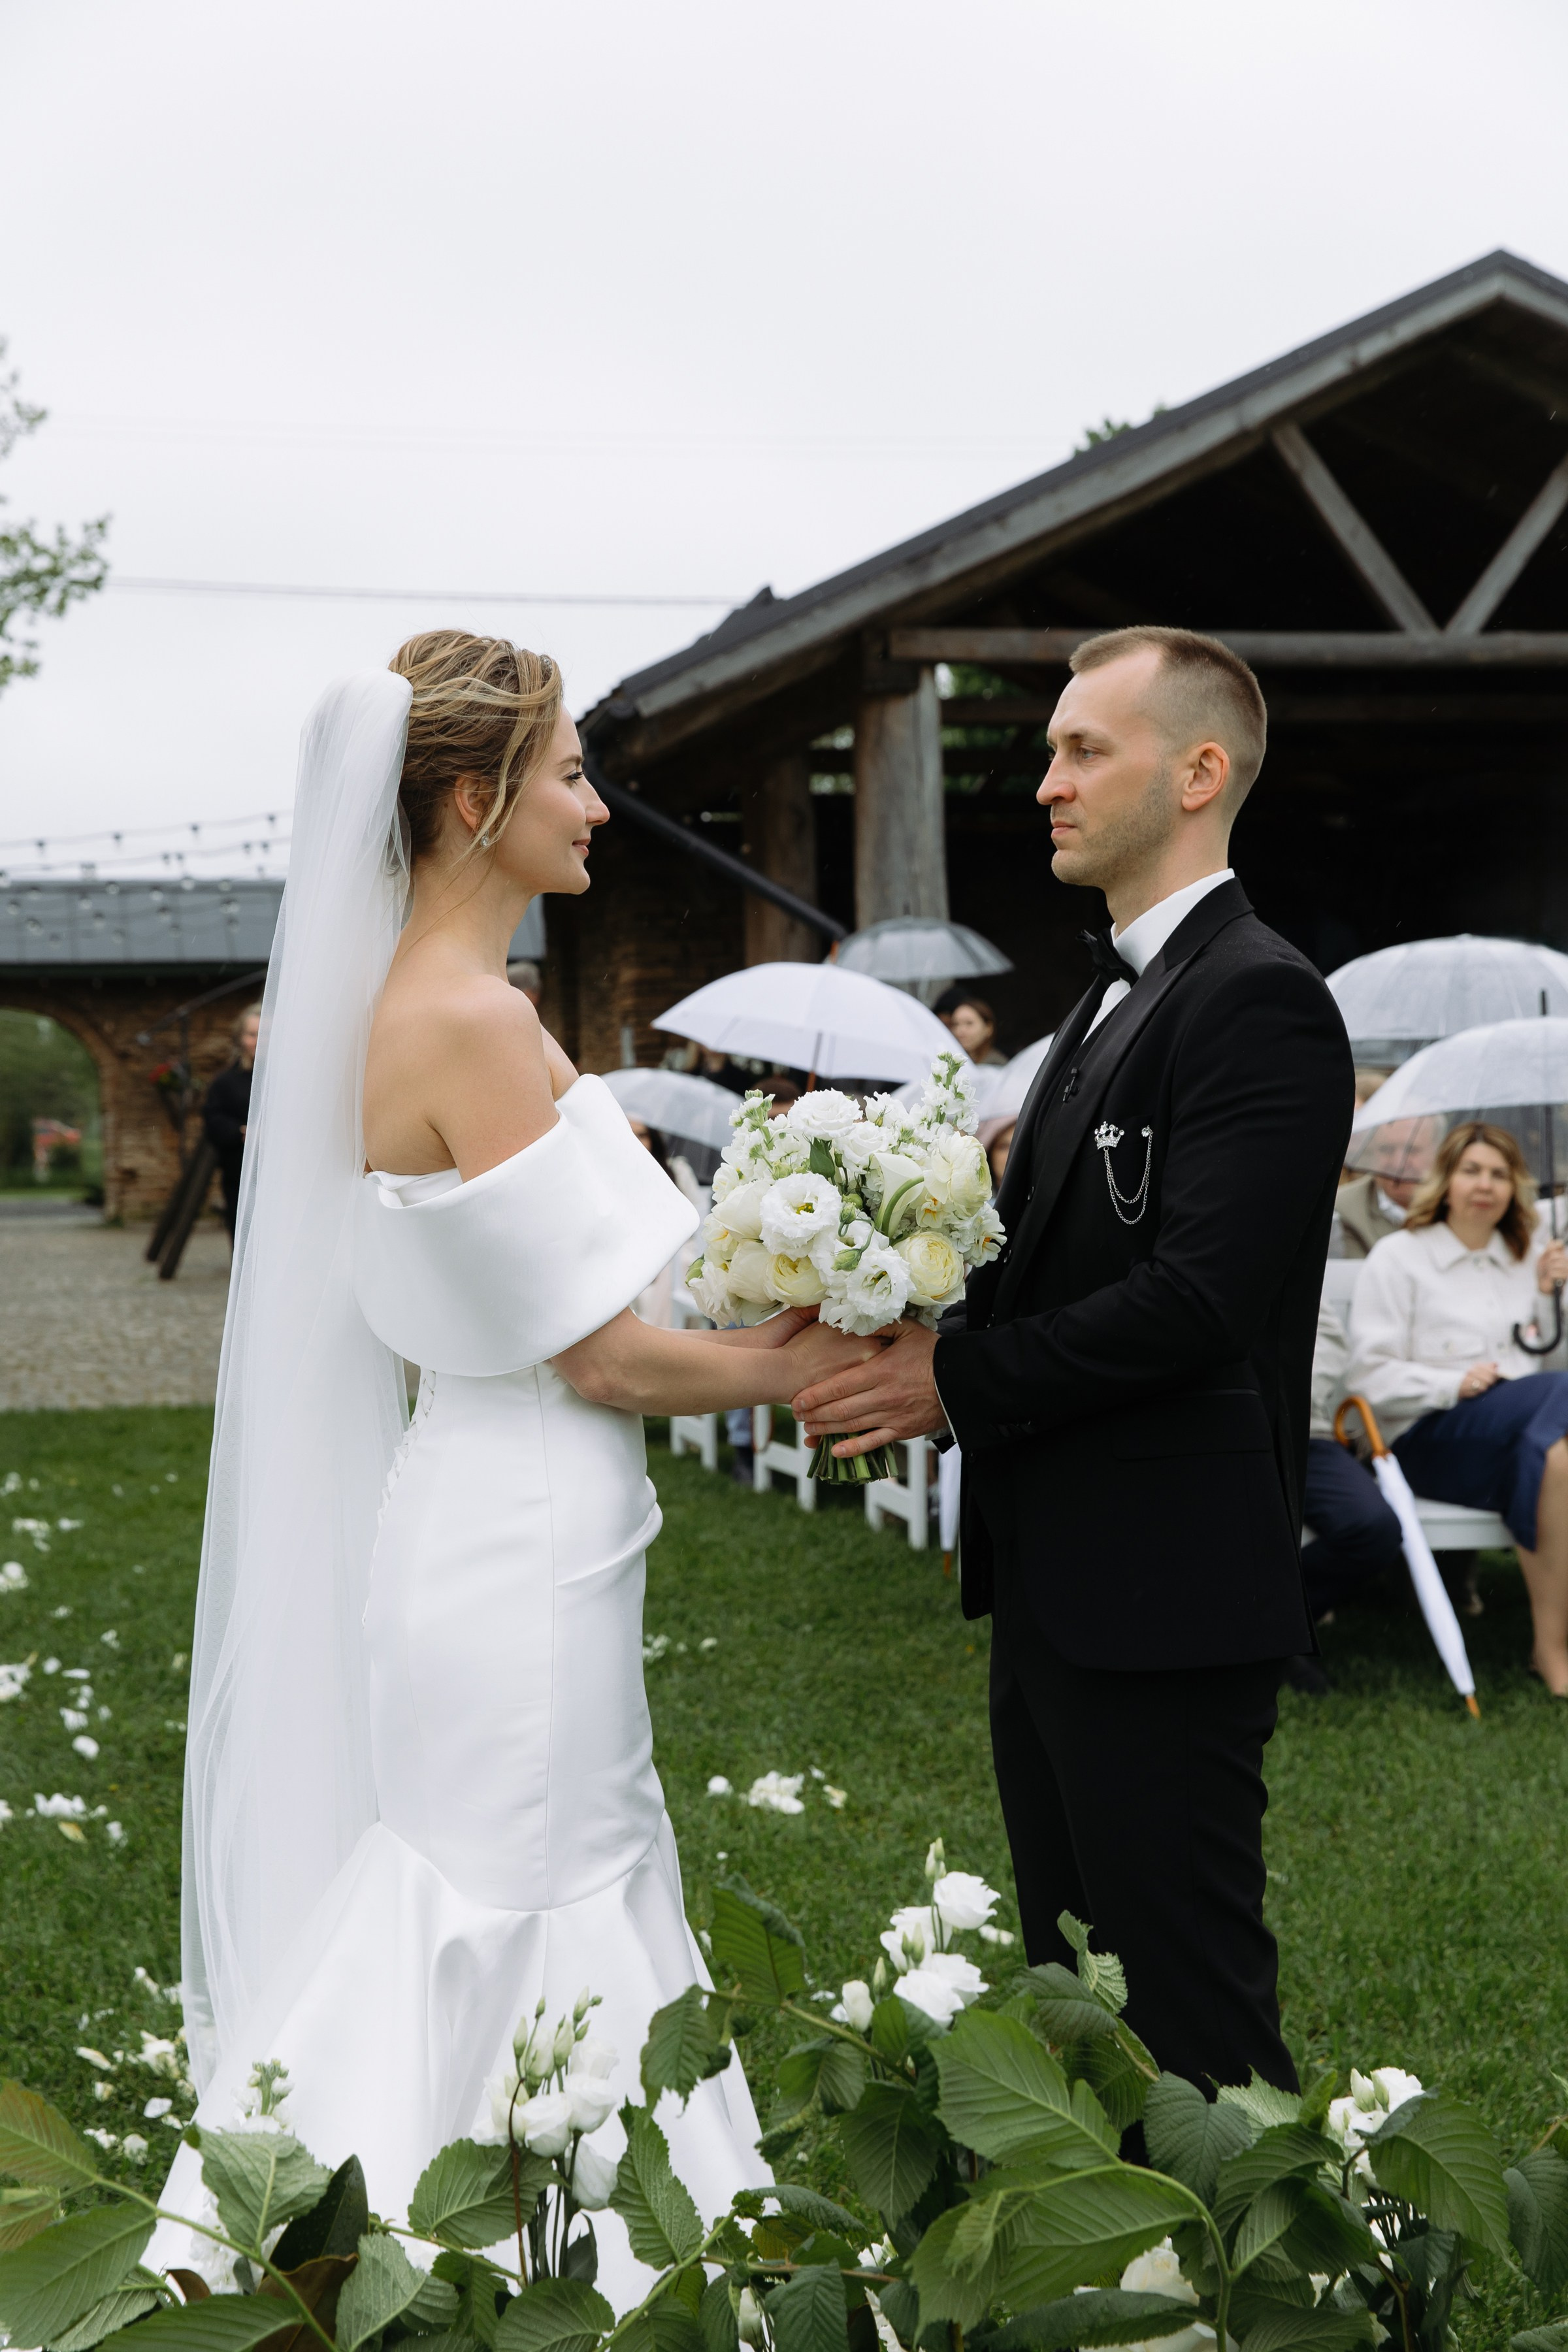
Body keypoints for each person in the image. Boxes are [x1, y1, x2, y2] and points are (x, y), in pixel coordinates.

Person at [155, 636, 876, 2297]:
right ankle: (539, 2283)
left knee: (509, 1882)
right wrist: (810, 1371)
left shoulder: (445, 1009)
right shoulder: (467, 1024)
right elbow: (604, 1354)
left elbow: (598, 1285)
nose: (597, 805)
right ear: (474, 802)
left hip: (492, 1518)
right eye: (566, 772)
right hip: (517, 1534)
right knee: (523, 1900)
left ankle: (381, 2257)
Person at [794, 625, 1352, 2095]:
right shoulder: (1105, 999)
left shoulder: (1261, 998)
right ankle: (1131, 2298)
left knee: (1190, 2003)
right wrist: (894, 1321)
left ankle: (1276, 2308)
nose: (1046, 781)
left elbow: (1195, 1302)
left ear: (1199, 771)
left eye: (1081, 750)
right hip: (1056, 1573)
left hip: (1167, 1588)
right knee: (1081, 1992)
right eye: (1051, 749)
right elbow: (1055, 1270)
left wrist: (953, 1384)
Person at [1347, 1120, 1568, 1696]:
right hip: (1429, 1439)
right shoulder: (1401, 1258)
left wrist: (1549, 1294)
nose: (1486, 1185)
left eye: (1500, 1174)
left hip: (1521, 1436)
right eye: (1471, 1170)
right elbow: (1367, 1378)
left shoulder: (1527, 1258)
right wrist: (1452, 1384)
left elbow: (1540, 1368)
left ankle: (1551, 1649)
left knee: (1557, 1458)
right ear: (1445, 1181)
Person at [1294, 1299, 1404, 1680]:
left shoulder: (1280, 1245)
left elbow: (1325, 1339)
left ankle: (1281, 1625)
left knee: (1374, 1529)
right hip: (1204, 1433)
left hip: (1300, 1428)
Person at [1335, 1116, 1441, 1258]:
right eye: (1387, 1150)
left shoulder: (1456, 1203)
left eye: (1411, 1150)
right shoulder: (1345, 1208)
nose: (1399, 1164)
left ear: (1438, 1152)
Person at [202, 1002, 260, 1239]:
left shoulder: (290, 1079)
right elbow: (213, 1120)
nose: (258, 1041)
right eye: (252, 1034)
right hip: (240, 1173)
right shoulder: (225, 1082)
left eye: (264, 1034)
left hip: (282, 1175)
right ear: (241, 1038)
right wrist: (240, 1132)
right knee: (244, 1235)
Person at [939, 990, 1007, 1064]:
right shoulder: (950, 1062)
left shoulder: (996, 1064)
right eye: (956, 1024)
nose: (961, 1030)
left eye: (969, 1023)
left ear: (988, 1028)